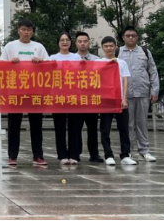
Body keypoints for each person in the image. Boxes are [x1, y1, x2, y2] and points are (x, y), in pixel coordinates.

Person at [0, 20, 49, 167]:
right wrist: (10, 63)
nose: (26, 32)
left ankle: (38, 156)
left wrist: (41, 61)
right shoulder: (10, 46)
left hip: (35, 91)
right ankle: (12, 156)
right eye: (23, 29)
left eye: (29, 30)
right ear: (18, 31)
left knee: (36, 125)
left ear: (32, 32)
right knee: (14, 124)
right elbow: (0, 65)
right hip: (15, 91)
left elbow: (49, 64)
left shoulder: (39, 47)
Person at [119, 26, 159, 162]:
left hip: (143, 93)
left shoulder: (145, 52)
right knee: (128, 125)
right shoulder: (118, 52)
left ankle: (144, 151)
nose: (130, 37)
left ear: (137, 37)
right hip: (125, 95)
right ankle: (128, 152)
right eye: (128, 35)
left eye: (133, 35)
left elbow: (153, 71)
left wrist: (154, 90)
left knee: (142, 123)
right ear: (123, 37)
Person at [99, 36, 137, 166]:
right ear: (102, 48)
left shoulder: (122, 63)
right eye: (106, 46)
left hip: (120, 100)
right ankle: (108, 155)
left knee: (124, 129)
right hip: (106, 101)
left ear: (116, 47)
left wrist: (124, 99)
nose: (109, 48)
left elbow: (125, 81)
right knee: (105, 129)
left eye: (111, 46)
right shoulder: (99, 62)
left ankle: (125, 155)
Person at [49, 33, 84, 165]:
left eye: (67, 40)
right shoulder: (52, 58)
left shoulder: (77, 57)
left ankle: (74, 155)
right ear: (58, 43)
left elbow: (83, 74)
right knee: (60, 127)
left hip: (74, 95)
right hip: (58, 96)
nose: (65, 42)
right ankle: (62, 155)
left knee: (75, 126)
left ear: (70, 42)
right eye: (62, 40)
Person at [75, 31, 104, 163]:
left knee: (92, 128)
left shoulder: (97, 60)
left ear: (89, 43)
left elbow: (101, 78)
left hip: (91, 99)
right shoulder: (71, 59)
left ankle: (94, 153)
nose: (82, 44)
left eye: (85, 41)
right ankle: (76, 153)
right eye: (80, 41)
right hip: (76, 99)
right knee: (76, 128)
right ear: (76, 43)